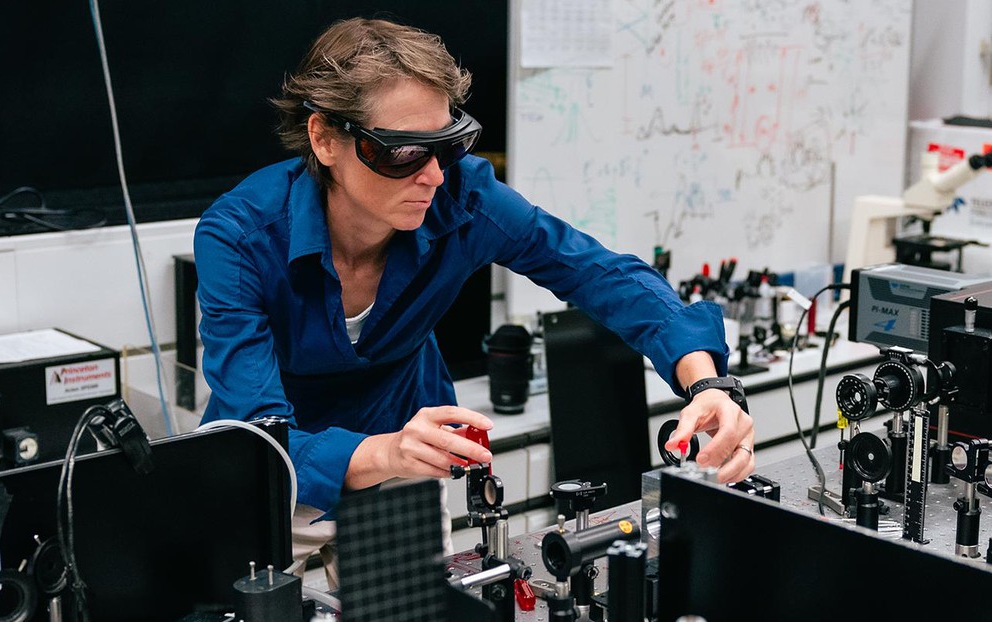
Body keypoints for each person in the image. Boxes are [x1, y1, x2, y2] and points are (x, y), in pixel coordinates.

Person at [194, 17, 754, 585]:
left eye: (447, 145)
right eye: (405, 151)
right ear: (324, 139)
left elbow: (597, 272)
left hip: (405, 462)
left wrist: (706, 382)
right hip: (279, 477)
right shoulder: (241, 238)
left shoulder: (463, 196)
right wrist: (381, 452)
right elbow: (259, 431)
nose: (433, 176)